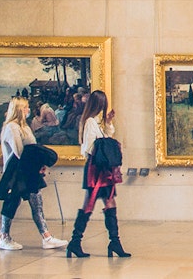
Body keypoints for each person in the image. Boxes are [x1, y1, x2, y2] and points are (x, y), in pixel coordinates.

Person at [0, 97, 67, 251]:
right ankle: (4, 236)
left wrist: (40, 164)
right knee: (12, 203)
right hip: (17, 171)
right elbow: (20, 152)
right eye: (26, 107)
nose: (29, 110)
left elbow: (33, 148)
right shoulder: (11, 127)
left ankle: (47, 237)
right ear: (19, 109)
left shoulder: (25, 127)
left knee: (37, 203)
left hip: (28, 170)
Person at [66, 89, 130, 259]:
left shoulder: (95, 122)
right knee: (90, 203)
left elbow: (105, 138)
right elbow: (88, 147)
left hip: (102, 169)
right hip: (96, 169)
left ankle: (114, 241)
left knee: (109, 201)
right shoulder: (89, 122)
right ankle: (75, 241)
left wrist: (108, 122)